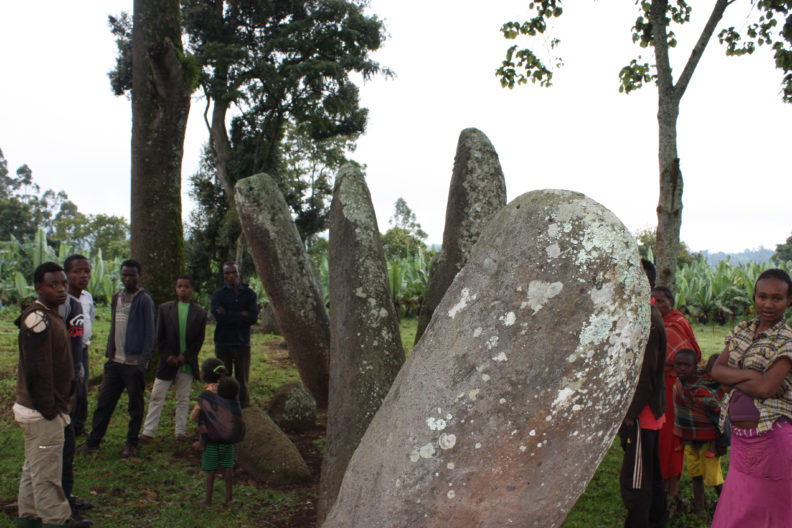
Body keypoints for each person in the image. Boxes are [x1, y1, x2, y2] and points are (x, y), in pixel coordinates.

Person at [710, 268, 792, 527]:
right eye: (762, 296)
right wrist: (754, 376)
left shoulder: (787, 339)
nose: (768, 304)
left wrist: (733, 377)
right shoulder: (742, 330)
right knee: (739, 511)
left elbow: (767, 389)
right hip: (741, 442)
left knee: (771, 514)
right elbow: (715, 371)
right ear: (754, 296)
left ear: (789, 301)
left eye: (777, 298)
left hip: (772, 440)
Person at [13, 262, 74, 528]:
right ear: (39, 287)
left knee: (33, 470)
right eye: (53, 285)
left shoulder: (50, 314)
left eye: (63, 284)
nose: (61, 290)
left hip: (40, 410)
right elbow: (38, 372)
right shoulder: (37, 319)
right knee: (47, 477)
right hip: (40, 412)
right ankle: (54, 520)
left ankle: (28, 519)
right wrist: (50, 410)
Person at [78, 260, 155, 458]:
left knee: (135, 405)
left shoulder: (144, 299)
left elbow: (150, 332)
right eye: (124, 275)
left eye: (132, 275)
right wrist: (109, 353)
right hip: (115, 362)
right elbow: (114, 326)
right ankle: (93, 442)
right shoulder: (117, 297)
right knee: (104, 403)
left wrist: (143, 361)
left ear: (139, 276)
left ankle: (131, 443)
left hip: (133, 363)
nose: (127, 278)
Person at [619, 259, 667, 528]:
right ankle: (657, 520)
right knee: (650, 473)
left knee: (635, 481)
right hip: (649, 409)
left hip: (643, 412)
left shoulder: (647, 320)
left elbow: (645, 377)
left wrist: (629, 416)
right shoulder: (648, 314)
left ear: (647, 284)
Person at [650, 286, 701, 504]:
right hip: (664, 384)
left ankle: (671, 485)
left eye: (662, 301)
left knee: (671, 437)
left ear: (671, 302)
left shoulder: (675, 323)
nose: (658, 305)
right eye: (654, 301)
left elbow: (683, 356)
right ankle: (664, 482)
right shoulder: (664, 322)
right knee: (664, 436)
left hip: (672, 386)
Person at [140, 275, 207, 442]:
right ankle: (149, 430)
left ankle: (180, 432)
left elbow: (199, 341)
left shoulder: (200, 313)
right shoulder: (165, 309)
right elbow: (160, 337)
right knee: (157, 395)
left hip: (186, 363)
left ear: (192, 289)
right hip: (167, 361)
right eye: (179, 286)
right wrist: (168, 356)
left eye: (186, 286)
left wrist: (185, 357)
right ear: (175, 289)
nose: (182, 289)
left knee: (183, 398)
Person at [57, 268, 92, 528]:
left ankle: (66, 496)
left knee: (68, 446)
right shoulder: (46, 311)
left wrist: (78, 372)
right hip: (56, 389)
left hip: (74, 375)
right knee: (59, 449)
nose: (60, 288)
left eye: (87, 271)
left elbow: (76, 344)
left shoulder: (79, 303)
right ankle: (60, 506)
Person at [672, 348, 725, 513]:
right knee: (695, 474)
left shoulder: (704, 388)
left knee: (714, 478)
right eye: (678, 364)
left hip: (709, 441)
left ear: (696, 366)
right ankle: (699, 507)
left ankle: (727, 506)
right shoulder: (680, 384)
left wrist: (721, 441)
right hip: (689, 439)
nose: (682, 368)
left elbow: (720, 415)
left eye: (687, 365)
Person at [210, 262, 259, 408]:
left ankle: (243, 410)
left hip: (242, 343)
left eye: (233, 272)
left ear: (238, 273)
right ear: (224, 275)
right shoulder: (218, 294)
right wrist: (241, 314)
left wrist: (228, 314)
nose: (230, 275)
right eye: (227, 273)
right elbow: (219, 317)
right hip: (223, 342)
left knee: (242, 380)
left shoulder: (249, 294)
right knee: (223, 378)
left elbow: (252, 317)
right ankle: (224, 409)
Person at [197, 376, 244, 506]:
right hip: (227, 444)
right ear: (236, 394)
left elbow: (203, 421)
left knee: (210, 471)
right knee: (228, 468)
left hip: (211, 443)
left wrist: (202, 442)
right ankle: (229, 498)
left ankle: (208, 499)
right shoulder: (235, 408)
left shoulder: (213, 406)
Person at [64, 254, 95, 439]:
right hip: (66, 352)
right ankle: (67, 427)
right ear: (67, 274)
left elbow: (88, 319)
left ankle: (79, 425)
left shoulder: (87, 297)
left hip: (83, 349)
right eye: (77, 271)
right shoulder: (62, 299)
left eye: (87, 271)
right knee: (70, 389)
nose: (84, 276)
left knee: (83, 391)